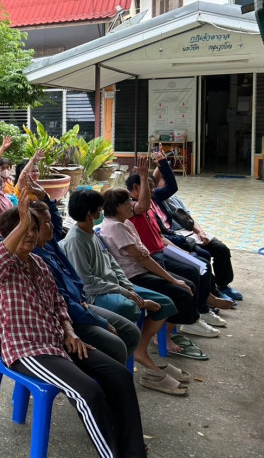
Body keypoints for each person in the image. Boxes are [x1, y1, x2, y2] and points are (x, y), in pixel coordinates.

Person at [0, 190, 146, 458]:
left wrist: (70, 332)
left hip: (59, 342)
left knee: (120, 375)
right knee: (88, 393)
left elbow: (59, 303)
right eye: (23, 228)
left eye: (33, 228)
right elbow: (1, 255)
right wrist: (23, 221)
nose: (29, 234)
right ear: (9, 235)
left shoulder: (39, 264)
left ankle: (133, 451)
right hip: (28, 351)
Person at [62, 189, 193, 389]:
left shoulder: (92, 232)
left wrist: (128, 287)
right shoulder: (75, 240)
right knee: (130, 309)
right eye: (99, 208)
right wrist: (126, 293)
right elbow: (88, 283)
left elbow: (112, 263)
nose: (102, 211)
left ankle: (141, 350)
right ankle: (135, 364)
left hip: (116, 286)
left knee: (165, 303)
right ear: (90, 212)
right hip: (97, 294)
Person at [100, 179, 214, 359]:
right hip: (133, 276)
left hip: (142, 269)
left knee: (189, 283)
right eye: (127, 202)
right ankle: (156, 339)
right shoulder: (114, 227)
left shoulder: (125, 222)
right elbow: (142, 258)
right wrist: (172, 279)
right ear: (116, 207)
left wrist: (172, 277)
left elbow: (143, 254)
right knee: (182, 291)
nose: (131, 205)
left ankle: (170, 331)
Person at [28, 199, 141, 367]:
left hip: (80, 304)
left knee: (132, 332)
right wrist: (101, 322)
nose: (52, 226)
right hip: (69, 316)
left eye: (50, 221)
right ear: (32, 229)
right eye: (46, 223)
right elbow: (63, 302)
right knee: (116, 346)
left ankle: (115, 372)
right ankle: (108, 376)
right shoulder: (36, 259)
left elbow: (75, 278)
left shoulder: (48, 244)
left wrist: (44, 196)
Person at [124, 155, 226, 335]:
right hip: (153, 256)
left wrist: (180, 252)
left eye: (153, 187)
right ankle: (190, 319)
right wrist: (143, 175)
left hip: (164, 249)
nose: (153, 191)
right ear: (136, 188)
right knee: (191, 274)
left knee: (201, 262)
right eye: (148, 187)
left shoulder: (150, 205)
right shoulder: (133, 208)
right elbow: (143, 205)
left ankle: (200, 310)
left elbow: (160, 236)